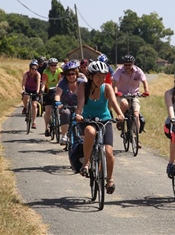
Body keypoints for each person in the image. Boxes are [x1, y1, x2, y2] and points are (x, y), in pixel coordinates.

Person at [75, 61, 124, 194]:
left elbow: (114, 102)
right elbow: (80, 103)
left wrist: (120, 114)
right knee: (90, 131)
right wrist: (78, 114)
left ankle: (110, 179)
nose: (101, 79)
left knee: (108, 152)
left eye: (104, 76)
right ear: (90, 76)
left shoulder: (107, 87)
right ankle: (86, 163)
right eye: (98, 76)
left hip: (104, 120)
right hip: (87, 119)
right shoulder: (83, 86)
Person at [112, 54, 149, 148]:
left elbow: (144, 81)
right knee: (124, 104)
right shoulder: (119, 70)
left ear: (133, 64)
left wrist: (146, 91)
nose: (128, 67)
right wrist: (116, 92)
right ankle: (121, 119)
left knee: (136, 115)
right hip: (122, 94)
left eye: (129, 64)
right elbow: (115, 82)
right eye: (126, 65)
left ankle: (137, 138)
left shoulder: (138, 71)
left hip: (134, 95)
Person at [54, 60, 79, 145]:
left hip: (79, 106)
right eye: (68, 74)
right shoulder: (63, 83)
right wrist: (58, 102)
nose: (71, 76)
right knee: (65, 112)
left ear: (76, 74)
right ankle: (64, 135)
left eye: (73, 74)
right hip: (66, 105)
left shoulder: (81, 83)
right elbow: (58, 94)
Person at [41, 57, 63, 137]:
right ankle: (46, 128)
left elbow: (60, 82)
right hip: (48, 91)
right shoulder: (45, 71)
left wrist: (58, 88)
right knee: (48, 110)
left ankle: (58, 121)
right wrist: (41, 90)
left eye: (55, 65)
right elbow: (43, 83)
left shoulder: (60, 71)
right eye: (52, 65)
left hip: (57, 91)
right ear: (49, 66)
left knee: (60, 108)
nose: (53, 66)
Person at [21, 60, 41, 129]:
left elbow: (38, 84)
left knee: (34, 105)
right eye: (32, 68)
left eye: (35, 69)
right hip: (27, 89)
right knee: (25, 96)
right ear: (30, 68)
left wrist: (37, 91)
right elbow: (23, 84)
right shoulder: (26, 74)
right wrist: (23, 90)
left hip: (35, 90)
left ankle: (34, 122)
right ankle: (25, 107)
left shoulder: (38, 75)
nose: (34, 70)